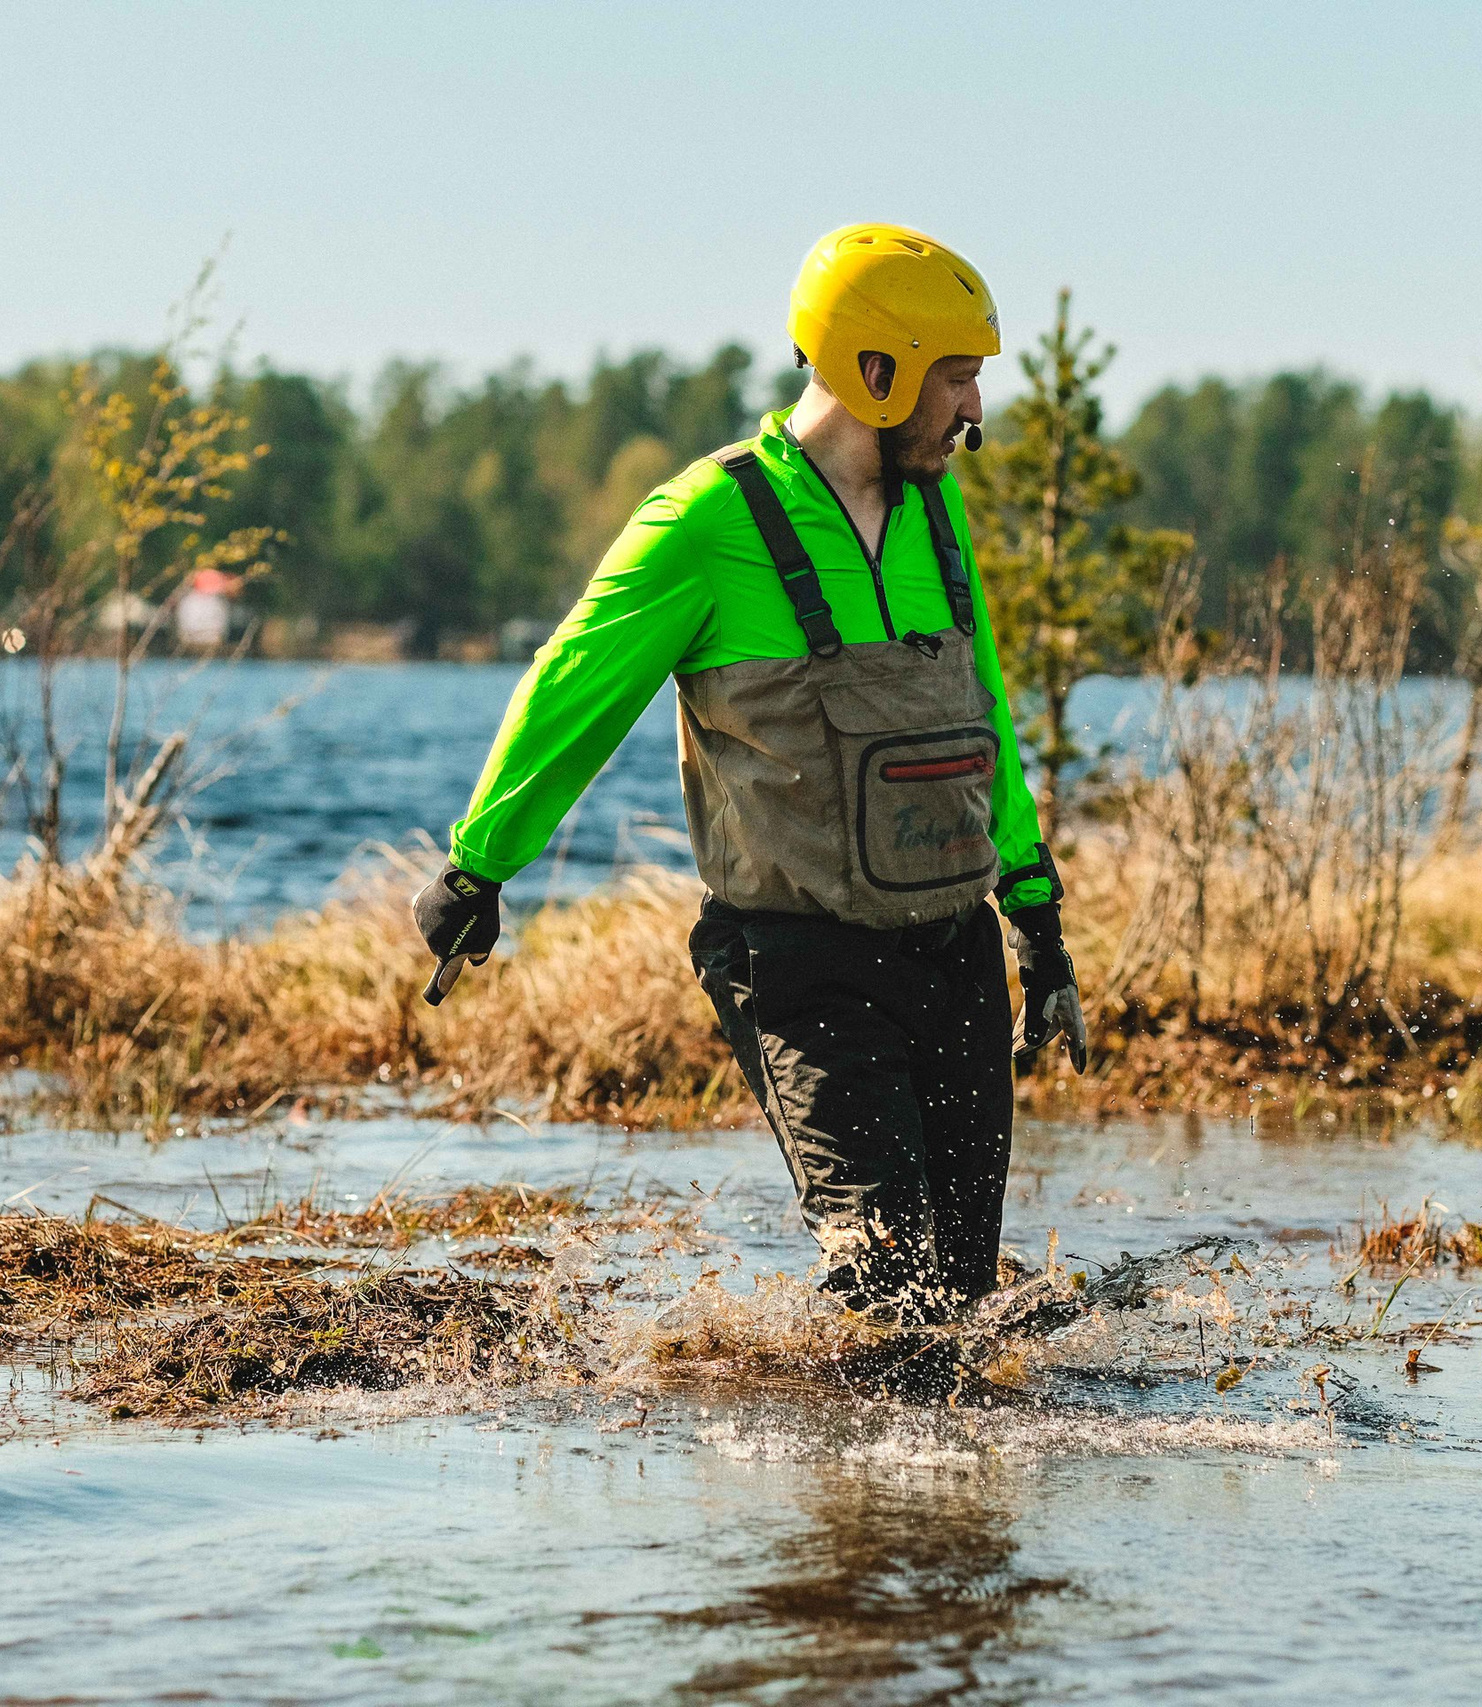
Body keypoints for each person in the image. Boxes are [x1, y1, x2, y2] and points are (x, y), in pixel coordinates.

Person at [413, 223, 1089, 1325]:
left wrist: (1033, 911)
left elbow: (981, 715)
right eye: (957, 377)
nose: (975, 408)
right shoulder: (706, 521)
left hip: (954, 955)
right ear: (878, 371)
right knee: (889, 1294)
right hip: (800, 966)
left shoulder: (937, 510)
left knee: (966, 1302)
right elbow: (574, 685)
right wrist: (479, 864)